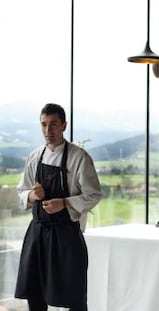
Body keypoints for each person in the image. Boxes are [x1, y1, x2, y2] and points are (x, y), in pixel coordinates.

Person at [14, 103, 102, 311]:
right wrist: (32, 195)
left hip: (66, 236)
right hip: (37, 234)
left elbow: (94, 194)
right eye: (44, 125)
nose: (48, 131)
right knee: (35, 294)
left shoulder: (79, 157)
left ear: (64, 125)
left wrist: (64, 203)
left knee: (74, 296)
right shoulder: (35, 157)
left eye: (53, 125)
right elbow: (21, 192)